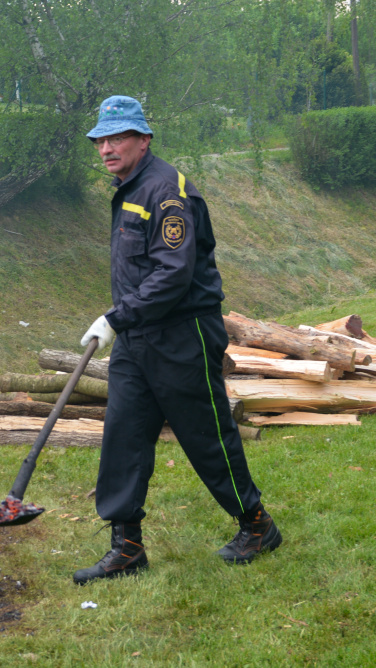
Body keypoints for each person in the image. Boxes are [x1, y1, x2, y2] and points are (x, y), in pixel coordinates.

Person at [74, 95, 282, 585]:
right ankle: (126, 547)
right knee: (123, 434)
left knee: (206, 435)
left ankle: (257, 525)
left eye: (117, 138)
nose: (107, 148)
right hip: (138, 335)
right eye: (101, 140)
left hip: (182, 334)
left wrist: (114, 317)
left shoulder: (166, 192)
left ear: (143, 140)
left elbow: (173, 274)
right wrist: (123, 322)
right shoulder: (130, 186)